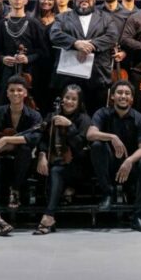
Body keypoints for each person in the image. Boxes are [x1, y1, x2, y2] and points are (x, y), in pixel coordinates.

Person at [0, 75, 42, 236]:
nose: (16, 93)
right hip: (1, 160)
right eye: (12, 90)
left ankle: (15, 190)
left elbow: (33, 138)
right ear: (7, 93)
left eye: (19, 90)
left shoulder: (34, 115)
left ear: (25, 93)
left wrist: (5, 139)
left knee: (24, 150)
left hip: (23, 165)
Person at [87, 80, 141, 232]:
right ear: (113, 96)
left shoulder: (140, 118)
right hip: (108, 167)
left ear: (131, 98)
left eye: (127, 93)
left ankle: (138, 217)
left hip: (130, 168)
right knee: (98, 145)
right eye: (119, 93)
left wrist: (129, 160)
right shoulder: (102, 113)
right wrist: (112, 137)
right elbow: (90, 134)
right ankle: (107, 194)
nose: (123, 96)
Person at [49, 0, 119, 115]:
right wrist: (75, 43)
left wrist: (89, 45)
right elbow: (54, 34)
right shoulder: (62, 17)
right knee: (68, 115)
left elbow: (112, 36)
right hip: (69, 76)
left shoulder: (106, 17)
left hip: (97, 76)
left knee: (96, 115)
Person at [33, 84, 92, 235]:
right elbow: (43, 140)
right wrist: (42, 155)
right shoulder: (51, 117)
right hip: (55, 162)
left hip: (77, 167)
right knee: (53, 170)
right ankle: (51, 211)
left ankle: (49, 216)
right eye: (67, 97)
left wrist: (70, 126)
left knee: (57, 171)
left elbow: (79, 145)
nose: (70, 101)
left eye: (74, 99)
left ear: (79, 102)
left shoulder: (84, 119)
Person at [0, 0, 47, 107]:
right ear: (9, 0)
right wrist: (2, 58)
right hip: (7, 73)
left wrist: (28, 58)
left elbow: (43, 51)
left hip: (29, 73)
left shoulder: (34, 24)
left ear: (26, 0)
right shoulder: (1, 24)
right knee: (4, 104)